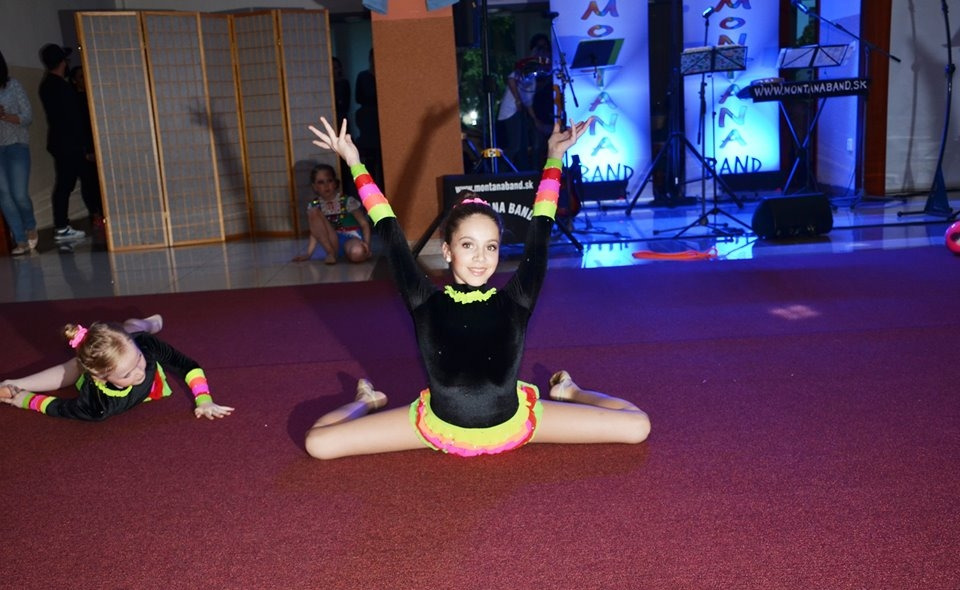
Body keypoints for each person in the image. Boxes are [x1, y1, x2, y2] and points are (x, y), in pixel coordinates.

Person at [303, 117, 650, 460]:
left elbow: (541, 231)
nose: (481, 258)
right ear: (447, 250)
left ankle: (570, 392)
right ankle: (365, 401)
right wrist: (354, 162)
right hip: (438, 425)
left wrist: (554, 158)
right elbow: (390, 232)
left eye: (491, 247)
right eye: (468, 245)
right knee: (318, 444)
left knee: (638, 426)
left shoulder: (516, 301)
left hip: (514, 422)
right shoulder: (425, 302)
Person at [0, 314, 234, 421]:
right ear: (100, 378)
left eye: (138, 360)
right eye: (127, 374)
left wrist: (204, 399)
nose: (139, 372)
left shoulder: (145, 347)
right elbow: (61, 407)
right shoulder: (97, 404)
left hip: (133, 338)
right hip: (93, 368)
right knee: (73, 367)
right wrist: (26, 399)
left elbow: (187, 366)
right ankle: (14, 384)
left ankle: (143, 323)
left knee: (133, 330)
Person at [37, 43, 103, 243]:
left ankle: (67, 224)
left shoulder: (47, 86)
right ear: (61, 62)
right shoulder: (62, 87)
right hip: (70, 144)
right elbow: (74, 120)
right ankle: (62, 226)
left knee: (73, 182)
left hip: (60, 143)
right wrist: (86, 147)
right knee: (68, 184)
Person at [292, 163, 372, 264]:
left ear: (335, 183)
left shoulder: (347, 201)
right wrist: (308, 254)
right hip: (332, 240)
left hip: (351, 237)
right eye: (321, 182)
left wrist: (367, 244)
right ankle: (331, 253)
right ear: (315, 187)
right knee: (313, 211)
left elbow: (364, 224)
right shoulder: (314, 205)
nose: (326, 186)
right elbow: (315, 232)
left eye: (329, 181)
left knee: (357, 253)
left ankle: (359, 252)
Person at [0, 49, 39, 255]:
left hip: (16, 145)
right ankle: (20, 239)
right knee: (4, 195)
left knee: (19, 194)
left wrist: (4, 116)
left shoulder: (13, 85)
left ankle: (30, 225)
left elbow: (27, 116)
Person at [495, 33, 554, 171]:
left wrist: (535, 120)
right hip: (510, 111)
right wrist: (517, 99)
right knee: (515, 146)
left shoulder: (533, 79)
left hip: (519, 111)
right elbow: (511, 79)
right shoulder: (525, 69)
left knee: (522, 146)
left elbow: (528, 103)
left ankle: (520, 172)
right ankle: (501, 171)